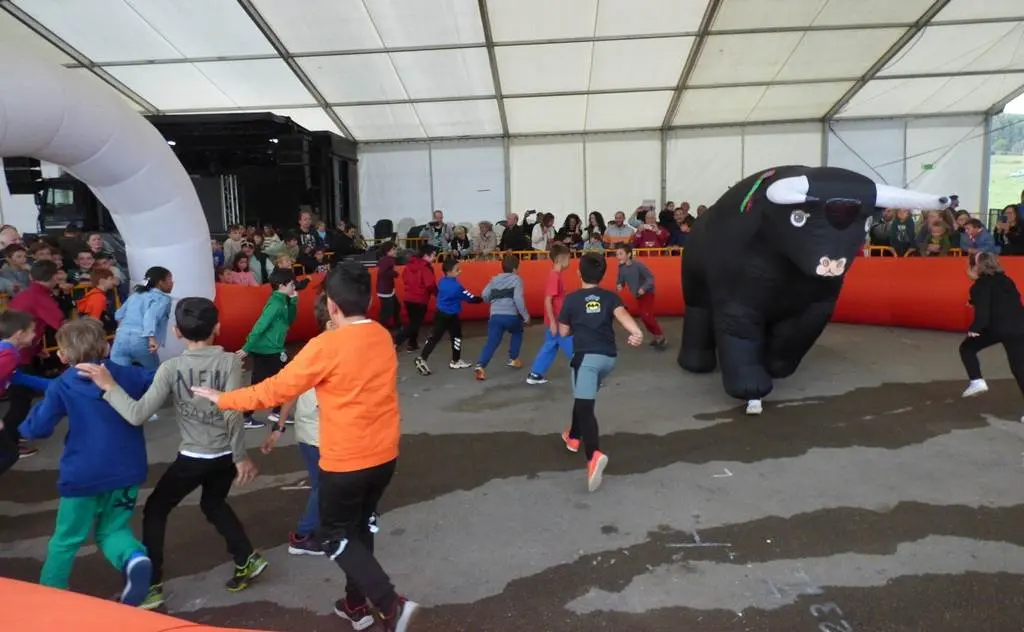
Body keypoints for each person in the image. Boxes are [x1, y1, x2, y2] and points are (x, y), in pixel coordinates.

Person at [191, 262, 420, 632]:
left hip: (347, 460)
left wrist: (224, 399)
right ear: (369, 299)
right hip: (384, 456)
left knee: (333, 535)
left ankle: (389, 602)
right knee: (357, 531)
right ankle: (355, 603)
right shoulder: (380, 334)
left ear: (331, 305)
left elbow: (275, 389)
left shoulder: (325, 345)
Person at [76, 297, 264, 610]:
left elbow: (136, 414)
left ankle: (152, 586)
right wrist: (240, 455)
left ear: (176, 331)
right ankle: (247, 558)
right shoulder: (232, 361)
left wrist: (109, 386)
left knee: (156, 509)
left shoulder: (170, 368)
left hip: (194, 457)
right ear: (217, 327)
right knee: (213, 502)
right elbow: (233, 410)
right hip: (225, 455)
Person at [19, 318, 155, 606]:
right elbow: (157, 381)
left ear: (62, 355)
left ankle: (51, 594)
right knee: (114, 529)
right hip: (127, 471)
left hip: (82, 476)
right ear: (107, 347)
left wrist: (21, 427)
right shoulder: (130, 376)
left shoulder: (61, 386)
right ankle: (134, 557)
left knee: (66, 539)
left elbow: (38, 429)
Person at [557, 253, 643, 492]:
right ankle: (573, 436)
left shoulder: (572, 300)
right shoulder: (610, 297)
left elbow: (563, 333)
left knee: (585, 407)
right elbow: (623, 315)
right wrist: (636, 332)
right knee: (582, 397)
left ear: (578, 273)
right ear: (603, 275)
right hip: (608, 358)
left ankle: (593, 454)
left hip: (586, 359)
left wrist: (573, 322)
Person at [260, 293, 332, 556]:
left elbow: (292, 388)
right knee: (325, 485)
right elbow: (289, 388)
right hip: (318, 433)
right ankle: (303, 535)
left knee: (322, 484)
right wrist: (278, 427)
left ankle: (323, 528)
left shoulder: (321, 347)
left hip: (314, 431)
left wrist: (279, 427)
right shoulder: (320, 349)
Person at [5, 260, 65, 458]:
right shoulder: (40, 297)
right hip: (22, 356)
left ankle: (11, 438)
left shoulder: (28, 294)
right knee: (20, 401)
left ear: (32, 276)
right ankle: (10, 442)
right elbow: (61, 324)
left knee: (21, 397)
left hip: (24, 354)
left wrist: (37, 347)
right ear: (54, 277)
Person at [958, 253, 1024, 408]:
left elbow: (983, 314)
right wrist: (973, 300)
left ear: (976, 267)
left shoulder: (979, 286)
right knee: (1019, 368)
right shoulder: (1006, 280)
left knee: (967, 348)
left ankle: (977, 381)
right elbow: (1005, 298)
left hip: (997, 328)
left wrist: (974, 330)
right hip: (1019, 326)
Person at [238, 269, 299, 429]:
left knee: (265, 382)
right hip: (269, 350)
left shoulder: (283, 301)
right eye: (292, 284)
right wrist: (246, 348)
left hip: (271, 349)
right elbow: (260, 325)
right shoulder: (275, 304)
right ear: (281, 285)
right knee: (282, 381)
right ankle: (257, 414)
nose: (294, 287)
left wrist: (293, 301)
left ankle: (271, 412)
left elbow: (289, 321)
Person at [414, 258, 482, 376]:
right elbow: (471, 299)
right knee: (456, 337)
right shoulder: (456, 287)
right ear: (450, 272)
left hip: (440, 313)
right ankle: (455, 360)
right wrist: (482, 298)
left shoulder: (442, 281)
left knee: (434, 337)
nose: (460, 271)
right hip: (451, 316)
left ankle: (423, 357)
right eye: (457, 270)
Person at [0, 310, 44, 476]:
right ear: (19, 334)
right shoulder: (9, 356)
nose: (35, 335)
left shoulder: (7, 351)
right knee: (9, 454)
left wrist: (55, 384)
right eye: (32, 330)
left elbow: (17, 377)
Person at [473, 255, 530, 381]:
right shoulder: (516, 279)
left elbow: (484, 294)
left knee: (492, 342)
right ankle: (513, 358)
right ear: (515, 269)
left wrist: (491, 301)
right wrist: (525, 315)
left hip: (495, 316)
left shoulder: (494, 280)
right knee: (517, 331)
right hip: (511, 316)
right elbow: (518, 299)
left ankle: (481, 365)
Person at [527, 244, 573, 385]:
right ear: (560, 259)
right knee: (574, 347)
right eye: (569, 258)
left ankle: (535, 373)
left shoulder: (556, 275)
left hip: (556, 320)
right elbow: (548, 300)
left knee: (550, 346)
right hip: (558, 321)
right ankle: (587, 374)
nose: (570, 261)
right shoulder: (555, 276)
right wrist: (553, 322)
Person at [111, 266, 173, 370]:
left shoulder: (135, 295)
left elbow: (118, 314)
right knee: (154, 376)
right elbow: (150, 317)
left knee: (119, 375)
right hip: (141, 340)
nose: (172, 282)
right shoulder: (163, 299)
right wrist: (152, 338)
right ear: (161, 282)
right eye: (170, 279)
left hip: (121, 339)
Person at [616, 244, 668, 349]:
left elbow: (650, 278)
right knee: (645, 318)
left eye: (621, 254)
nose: (618, 256)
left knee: (646, 316)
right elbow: (620, 281)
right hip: (637, 295)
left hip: (647, 294)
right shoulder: (621, 268)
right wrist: (619, 285)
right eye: (617, 254)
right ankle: (656, 336)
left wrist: (643, 288)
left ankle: (661, 336)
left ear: (629, 254)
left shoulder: (638, 265)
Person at [393, 244, 437, 353]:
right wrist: (438, 294)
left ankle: (412, 343)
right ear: (426, 255)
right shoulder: (426, 267)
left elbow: (404, 278)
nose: (434, 258)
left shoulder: (409, 265)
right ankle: (396, 341)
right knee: (415, 324)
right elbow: (430, 284)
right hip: (420, 299)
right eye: (433, 255)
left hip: (408, 298)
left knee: (414, 322)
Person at [76, 268, 118, 332]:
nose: (114, 281)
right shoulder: (99, 297)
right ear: (102, 281)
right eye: (111, 279)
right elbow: (94, 319)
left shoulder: (95, 293)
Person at [376, 241, 401, 332]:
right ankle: (380, 328)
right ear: (388, 251)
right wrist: (394, 273)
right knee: (388, 311)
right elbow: (382, 272)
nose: (395, 251)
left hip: (388, 290)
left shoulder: (386, 260)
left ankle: (397, 325)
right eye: (393, 249)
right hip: (385, 291)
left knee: (396, 307)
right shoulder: (386, 260)